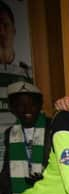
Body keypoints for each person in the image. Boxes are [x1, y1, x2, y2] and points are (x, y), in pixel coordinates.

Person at [0, 82, 51, 194]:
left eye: (32, 104)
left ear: (40, 105)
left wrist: (44, 181)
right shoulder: (9, 134)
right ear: (12, 108)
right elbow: (6, 173)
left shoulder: (54, 128)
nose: (27, 109)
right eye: (20, 105)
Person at [0, 1, 31, 142]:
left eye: (5, 25)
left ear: (14, 29)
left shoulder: (27, 73)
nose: (1, 32)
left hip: (22, 144)